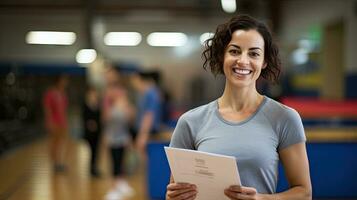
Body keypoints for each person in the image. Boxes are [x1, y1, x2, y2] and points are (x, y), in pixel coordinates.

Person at [166, 14, 312, 200]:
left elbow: (304, 193)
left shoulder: (284, 118)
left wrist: (261, 199)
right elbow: (175, 192)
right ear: (222, 56)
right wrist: (174, 197)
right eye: (234, 51)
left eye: (254, 53)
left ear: (264, 61)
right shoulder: (190, 121)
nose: (243, 61)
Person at [102, 67, 135, 200]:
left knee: (122, 161)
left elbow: (130, 116)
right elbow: (105, 118)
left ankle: (121, 183)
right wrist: (114, 107)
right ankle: (113, 188)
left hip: (123, 136)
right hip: (111, 136)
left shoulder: (123, 97)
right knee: (114, 162)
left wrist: (127, 109)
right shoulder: (107, 100)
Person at [131, 71, 162, 158]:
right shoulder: (143, 94)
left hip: (149, 132)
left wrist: (143, 135)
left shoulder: (151, 94)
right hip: (143, 129)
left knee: (147, 158)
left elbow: (149, 115)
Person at [43, 74, 69, 172]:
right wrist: (49, 122)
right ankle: (55, 163)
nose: (65, 83)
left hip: (62, 122)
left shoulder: (63, 94)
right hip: (54, 122)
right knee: (55, 144)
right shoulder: (50, 93)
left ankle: (60, 162)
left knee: (62, 144)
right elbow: (47, 109)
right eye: (63, 80)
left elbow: (64, 109)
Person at [82, 86, 102, 177]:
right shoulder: (85, 105)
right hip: (89, 133)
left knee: (96, 151)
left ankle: (94, 168)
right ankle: (91, 168)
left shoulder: (98, 105)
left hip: (97, 132)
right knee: (91, 150)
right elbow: (84, 118)